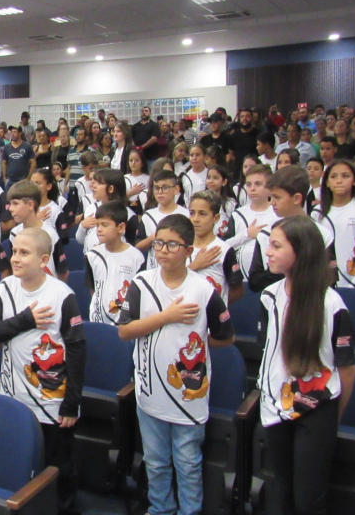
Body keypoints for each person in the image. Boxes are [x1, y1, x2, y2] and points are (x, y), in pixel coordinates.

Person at [117, 213, 233, 515]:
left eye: (172, 244)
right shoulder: (142, 283)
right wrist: (166, 318)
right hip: (149, 389)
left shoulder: (203, 289)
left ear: (188, 250)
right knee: (156, 461)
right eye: (159, 243)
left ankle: (189, 511)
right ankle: (161, 508)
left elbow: (226, 336)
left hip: (188, 392)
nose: (163, 250)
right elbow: (125, 331)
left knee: (188, 461)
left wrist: (194, 343)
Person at [0, 227, 86, 515]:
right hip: (13, 398)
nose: (15, 258)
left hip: (53, 401)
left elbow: (77, 352)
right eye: (14, 251)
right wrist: (25, 319)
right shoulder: (5, 288)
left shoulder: (62, 295)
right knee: (17, 464)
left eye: (24, 253)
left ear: (43, 260)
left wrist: (72, 403)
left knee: (58, 468)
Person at [258, 215, 355, 515]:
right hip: (275, 403)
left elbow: (347, 368)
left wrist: (332, 417)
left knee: (308, 500)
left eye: (276, 246)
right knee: (283, 490)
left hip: (317, 407)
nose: (268, 252)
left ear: (300, 251)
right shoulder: (269, 297)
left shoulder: (331, 304)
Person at [313, 160, 355, 292]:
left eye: (345, 176)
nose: (339, 181)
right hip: (328, 278)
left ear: (354, 181)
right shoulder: (317, 213)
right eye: (333, 177)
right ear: (326, 182)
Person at [83, 202, 144, 325]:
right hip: (98, 322)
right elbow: (93, 290)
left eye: (105, 225)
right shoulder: (92, 255)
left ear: (121, 228)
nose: (99, 229)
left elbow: (139, 295)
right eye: (97, 225)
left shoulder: (136, 258)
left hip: (125, 324)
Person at [187, 191, 244, 306]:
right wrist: (194, 266)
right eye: (192, 213)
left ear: (216, 218)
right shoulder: (180, 246)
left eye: (202, 214)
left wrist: (217, 307)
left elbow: (238, 290)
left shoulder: (224, 250)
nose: (195, 219)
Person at [8, 180, 68, 281]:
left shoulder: (50, 234)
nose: (10, 209)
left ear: (30, 205)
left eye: (15, 204)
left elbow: (62, 272)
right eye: (10, 204)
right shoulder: (14, 233)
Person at [230, 165, 278, 279]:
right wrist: (246, 234)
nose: (252, 188)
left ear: (270, 187)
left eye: (258, 184)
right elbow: (225, 246)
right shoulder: (238, 214)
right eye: (248, 184)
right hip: (241, 280)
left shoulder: (278, 213)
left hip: (269, 277)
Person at [136, 170, 190, 269]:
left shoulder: (186, 215)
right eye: (156, 188)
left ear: (176, 189)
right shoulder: (148, 216)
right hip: (154, 270)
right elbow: (138, 246)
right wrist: (153, 238)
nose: (160, 192)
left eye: (165, 188)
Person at [2, 126, 36, 190]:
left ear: (20, 133)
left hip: (23, 179)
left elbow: (33, 163)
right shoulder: (7, 147)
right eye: (11, 132)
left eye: (15, 132)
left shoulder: (27, 146)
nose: (12, 134)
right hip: (10, 180)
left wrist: (28, 177)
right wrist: (4, 177)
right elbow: (4, 162)